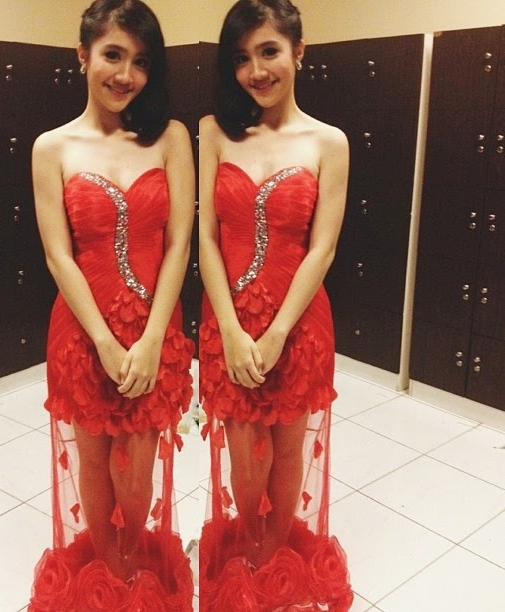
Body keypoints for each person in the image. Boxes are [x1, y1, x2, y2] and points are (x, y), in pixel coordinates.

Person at [27, 1, 195, 609]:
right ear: (83, 55)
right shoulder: (52, 147)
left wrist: (152, 339)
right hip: (81, 333)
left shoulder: (170, 138)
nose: (126, 75)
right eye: (113, 56)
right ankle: (108, 585)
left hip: (155, 329)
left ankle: (133, 579)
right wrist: (102, 339)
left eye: (141, 62)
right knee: (94, 466)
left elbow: (179, 243)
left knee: (136, 470)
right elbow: (58, 255)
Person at [198, 0, 353, 609]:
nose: (256, 71)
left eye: (269, 52)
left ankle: (273, 570)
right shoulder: (215, 132)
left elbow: (323, 247)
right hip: (228, 322)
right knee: (245, 459)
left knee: (289, 451)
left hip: (300, 322)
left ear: (299, 51)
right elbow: (207, 239)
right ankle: (251, 561)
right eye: (242, 58)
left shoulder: (329, 142)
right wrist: (231, 330)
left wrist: (279, 330)